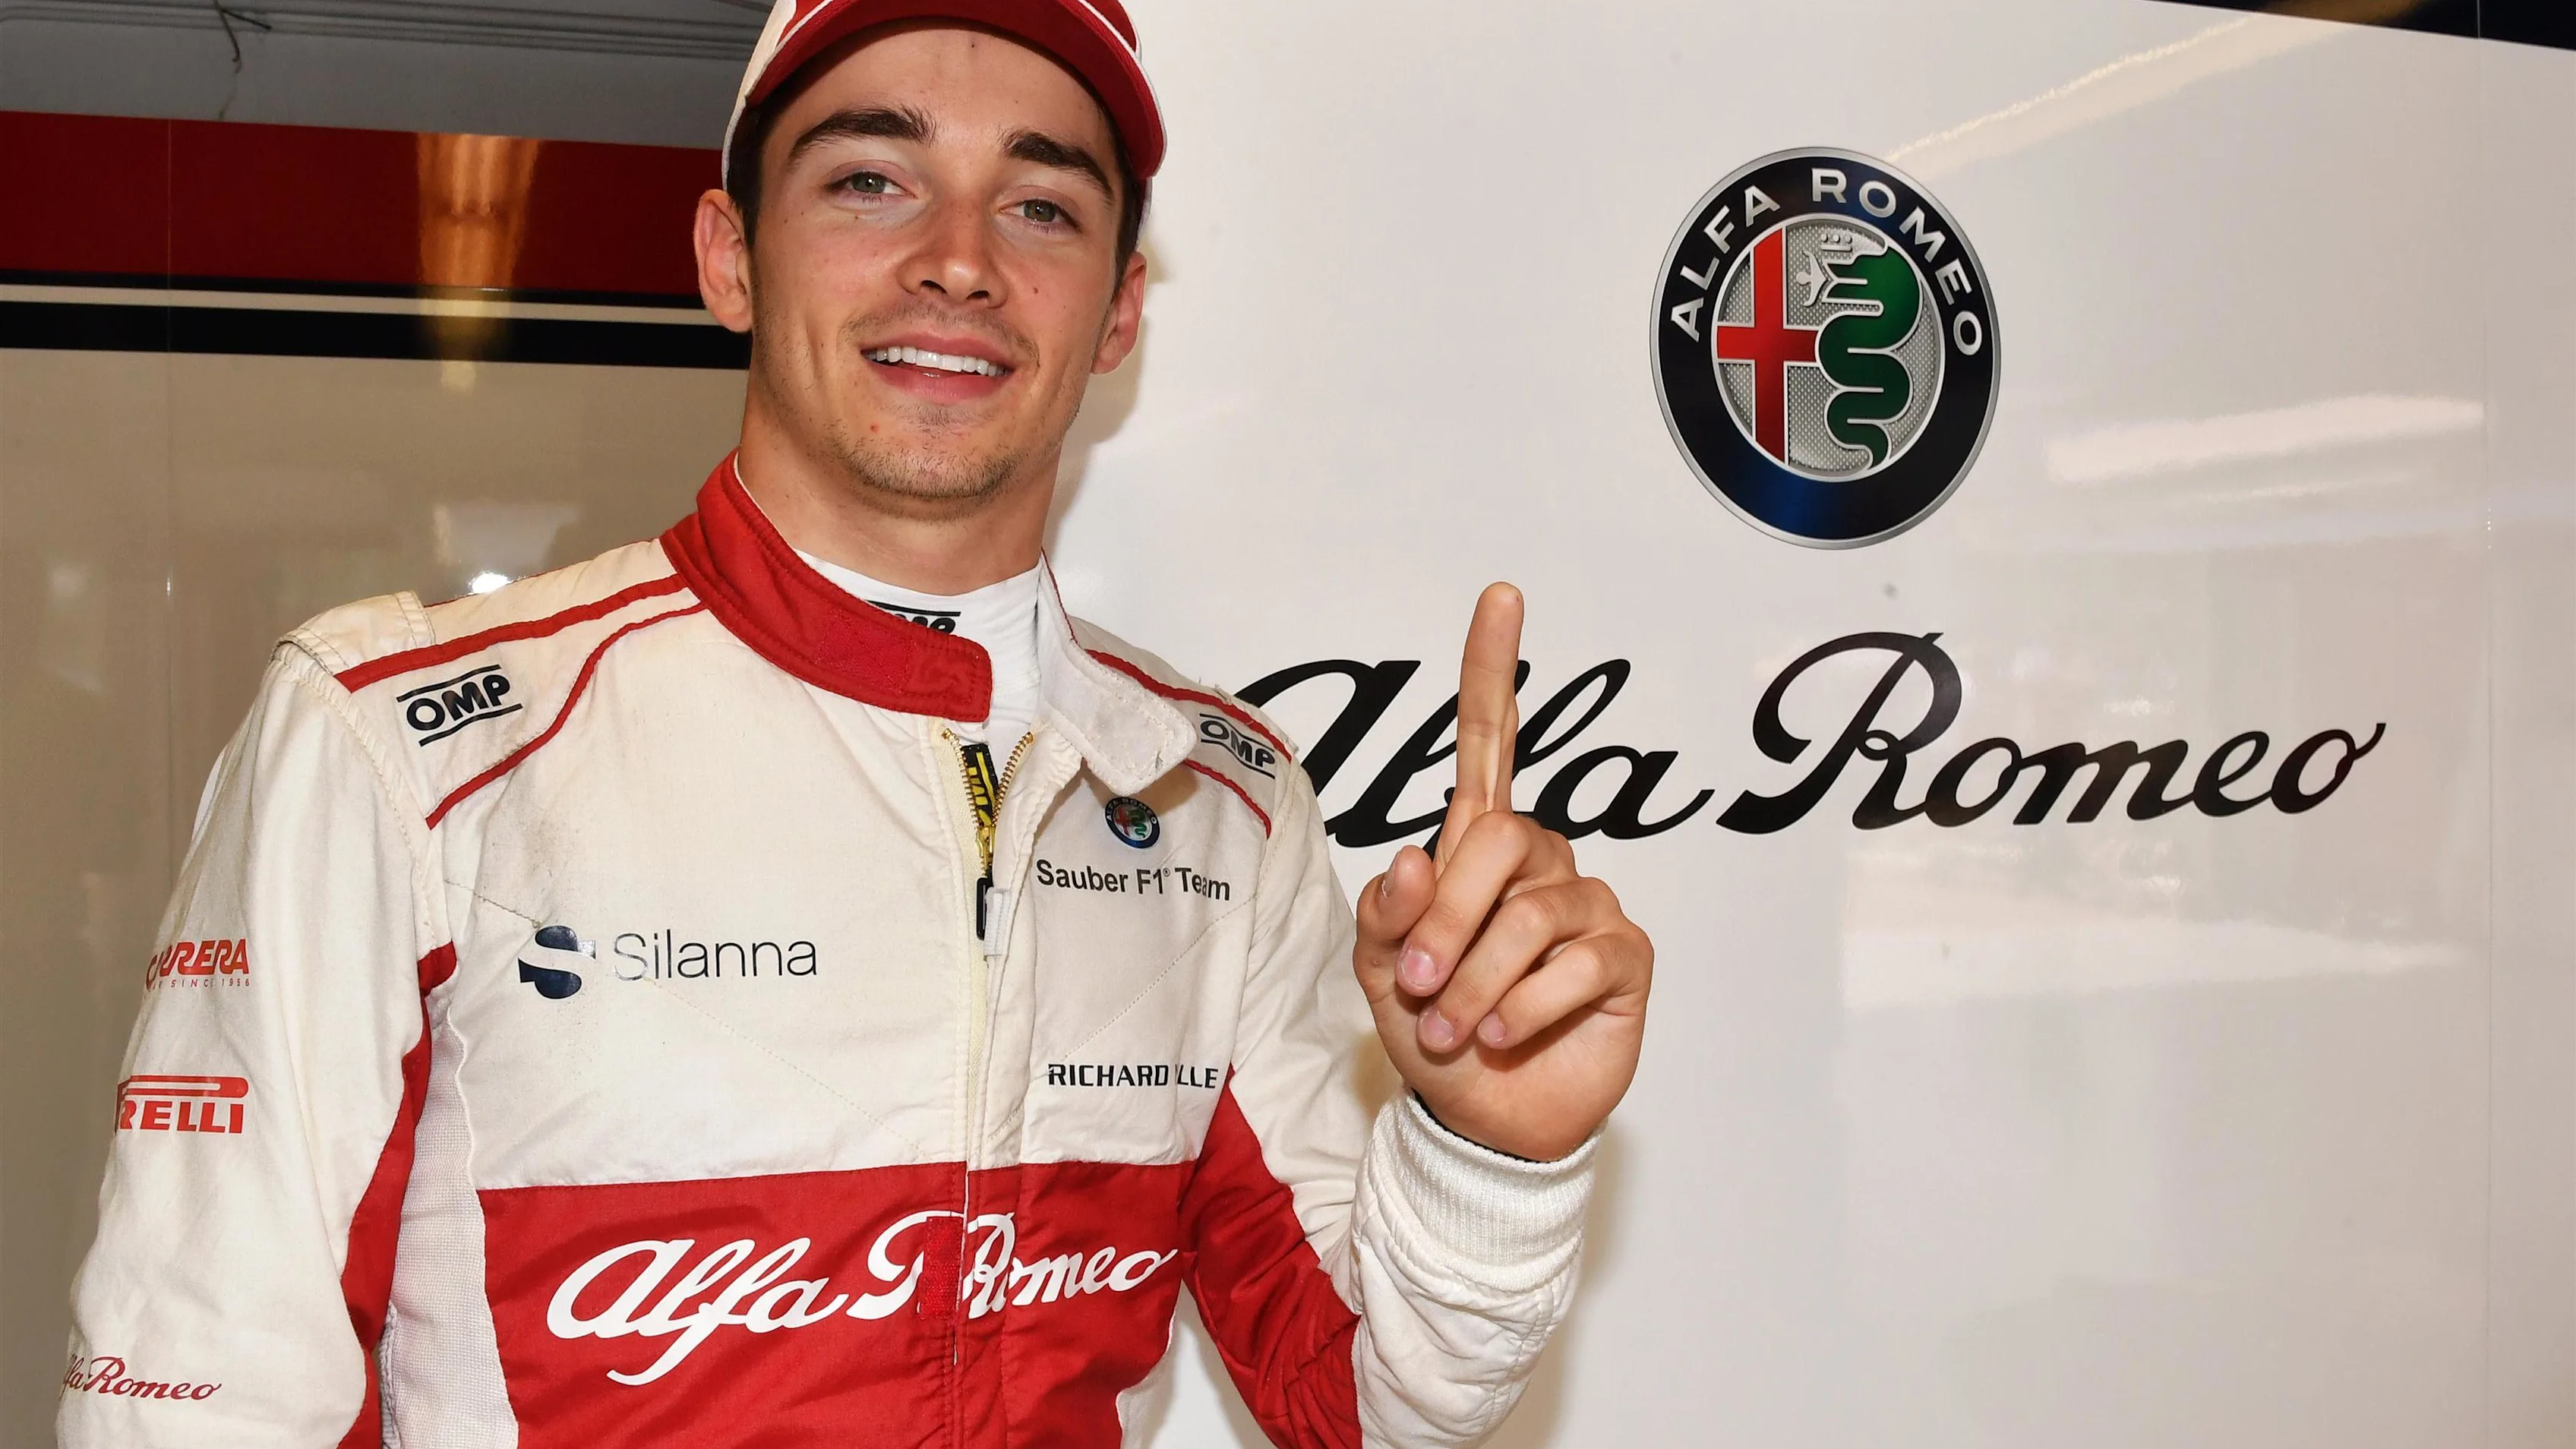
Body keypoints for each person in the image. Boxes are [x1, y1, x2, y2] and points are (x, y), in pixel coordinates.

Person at [57, 2, 1655, 1444]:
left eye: (1041, 204)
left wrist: (1488, 1154)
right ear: (726, 257)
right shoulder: (400, 745)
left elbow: (1356, 1401)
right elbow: (199, 1412)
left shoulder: (1218, 797)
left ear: (1116, 315)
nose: (959, 256)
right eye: (870, 181)